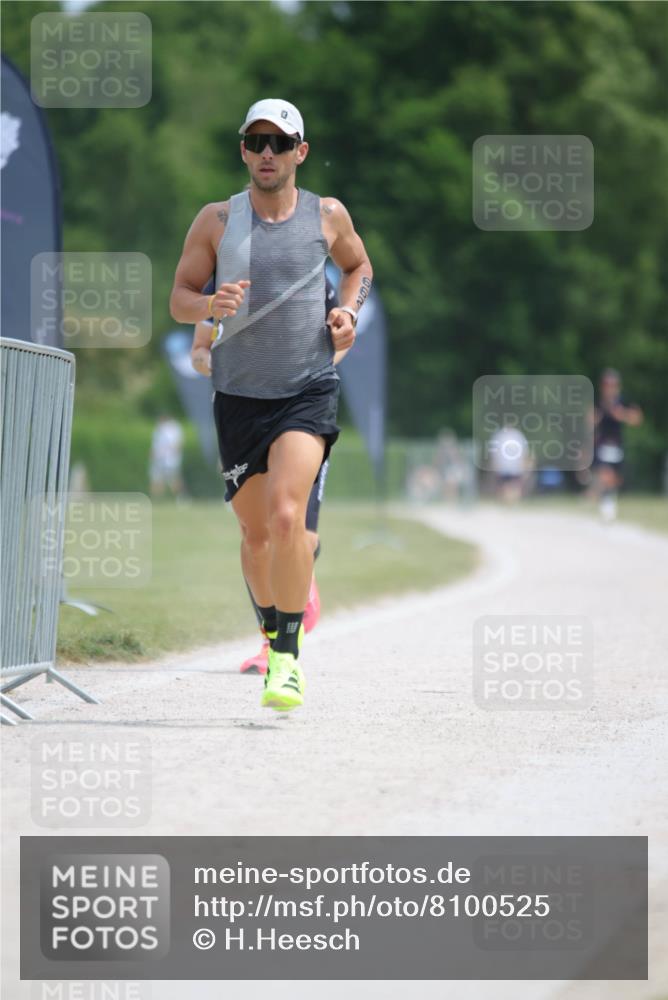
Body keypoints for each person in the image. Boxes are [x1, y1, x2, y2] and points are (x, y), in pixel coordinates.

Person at [170, 98, 373, 711]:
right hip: (237, 398)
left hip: (307, 389)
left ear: (299, 153)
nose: (267, 153)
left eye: (279, 144)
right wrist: (210, 307)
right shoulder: (215, 220)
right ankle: (271, 632)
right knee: (257, 536)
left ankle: (285, 660)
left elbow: (358, 266)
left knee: (289, 518)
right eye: (256, 142)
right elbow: (180, 299)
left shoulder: (328, 215)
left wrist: (347, 312)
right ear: (242, 150)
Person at [190, 276, 345, 674]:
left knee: (296, 529)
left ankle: (283, 643)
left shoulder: (311, 275)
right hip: (242, 414)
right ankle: (271, 636)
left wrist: (303, 374)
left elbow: (340, 343)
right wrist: (221, 364)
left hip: (301, 408)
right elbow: (199, 353)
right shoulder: (222, 279)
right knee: (257, 538)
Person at [592, 368, 643, 521]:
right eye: (607, 385)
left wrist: (622, 415)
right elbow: (589, 420)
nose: (609, 388)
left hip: (616, 445)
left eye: (612, 385)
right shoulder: (599, 402)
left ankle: (608, 498)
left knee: (615, 478)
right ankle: (606, 504)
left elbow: (637, 418)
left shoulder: (623, 400)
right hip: (602, 444)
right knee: (604, 474)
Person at [149, 414, 185, 500]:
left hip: (170, 461)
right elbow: (156, 445)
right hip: (159, 459)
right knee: (156, 479)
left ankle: (181, 497)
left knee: (173, 480)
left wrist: (170, 454)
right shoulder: (158, 430)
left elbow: (177, 445)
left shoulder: (173, 429)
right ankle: (155, 499)